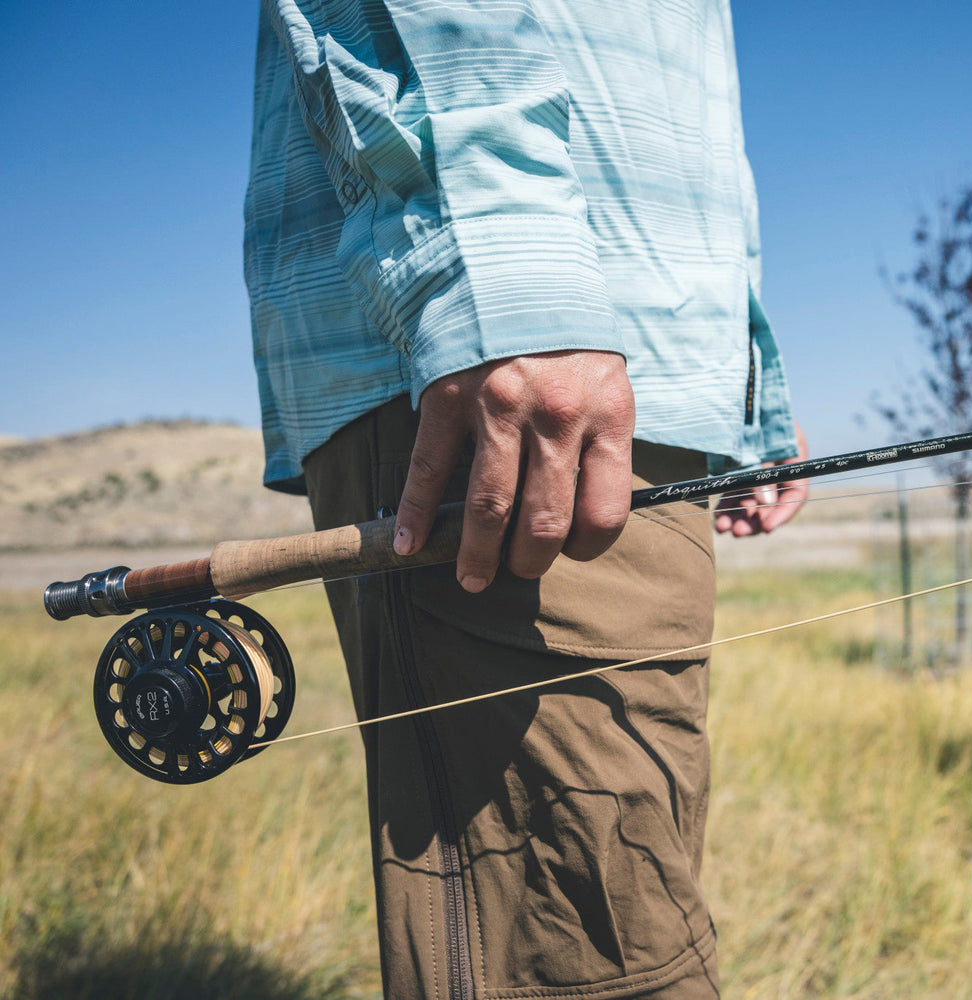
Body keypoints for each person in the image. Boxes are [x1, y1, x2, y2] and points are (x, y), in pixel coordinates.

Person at [245, 2, 807, 996]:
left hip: (637, 373)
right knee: (592, 949)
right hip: (510, 360)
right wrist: (505, 278)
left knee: (646, 880)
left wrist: (746, 388)